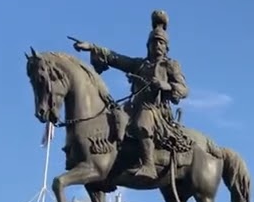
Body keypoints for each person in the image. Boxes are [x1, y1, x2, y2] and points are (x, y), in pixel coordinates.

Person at [72, 10, 189, 183]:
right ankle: (110, 164)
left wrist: (164, 85)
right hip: (133, 106)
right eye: (155, 42)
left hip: (155, 110)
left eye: (161, 43)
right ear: (148, 45)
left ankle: (149, 165)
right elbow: (116, 58)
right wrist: (92, 47)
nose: (158, 45)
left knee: (142, 121)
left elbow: (184, 89)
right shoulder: (138, 64)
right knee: (113, 120)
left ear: (166, 47)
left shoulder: (170, 65)